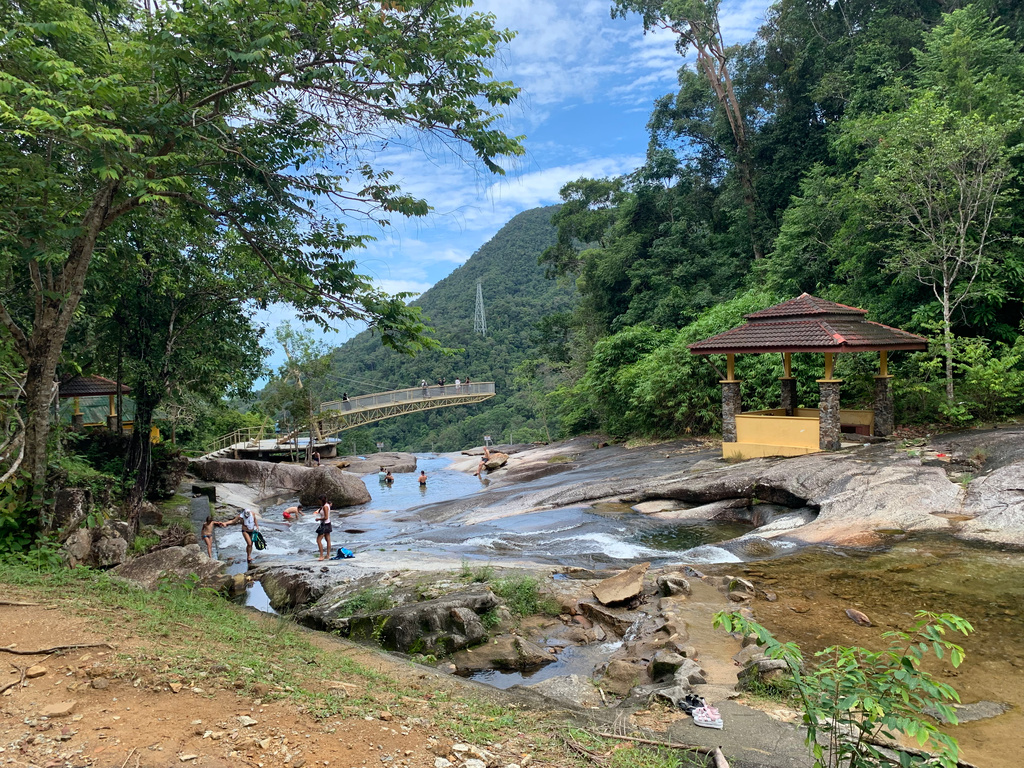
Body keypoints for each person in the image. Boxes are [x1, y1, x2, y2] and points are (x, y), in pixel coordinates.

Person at [315, 495, 332, 561]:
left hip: (325, 524)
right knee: (328, 539)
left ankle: (321, 556)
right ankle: (327, 555)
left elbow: (326, 517)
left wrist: (318, 519)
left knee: (318, 540)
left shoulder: (325, 507)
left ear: (321, 500)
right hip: (328, 523)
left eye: (319, 500)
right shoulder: (327, 505)